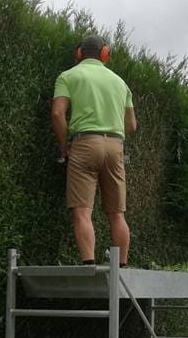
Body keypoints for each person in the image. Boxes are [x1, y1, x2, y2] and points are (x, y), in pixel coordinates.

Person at [51, 34, 137, 266]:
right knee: (117, 214)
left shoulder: (68, 76)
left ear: (79, 54)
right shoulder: (120, 83)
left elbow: (58, 113)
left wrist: (64, 146)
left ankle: (89, 264)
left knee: (82, 211)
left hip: (84, 144)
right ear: (105, 54)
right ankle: (122, 267)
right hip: (115, 146)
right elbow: (131, 125)